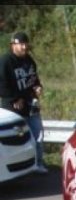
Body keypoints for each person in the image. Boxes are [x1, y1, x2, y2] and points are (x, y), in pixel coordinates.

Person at [0, 32, 47, 173]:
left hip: (31, 105)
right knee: (19, 140)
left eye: (26, 44)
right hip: (13, 108)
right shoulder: (5, 62)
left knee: (38, 134)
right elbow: (2, 85)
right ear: (13, 45)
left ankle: (38, 164)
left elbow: (34, 78)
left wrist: (38, 87)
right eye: (21, 44)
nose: (24, 47)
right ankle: (17, 168)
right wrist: (14, 98)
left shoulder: (29, 60)